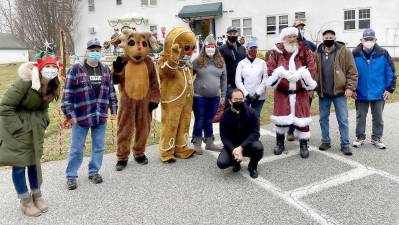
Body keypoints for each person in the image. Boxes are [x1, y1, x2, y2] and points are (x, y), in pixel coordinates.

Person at [0, 53, 63, 216]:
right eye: (47, 67)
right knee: (20, 165)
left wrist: (44, 121)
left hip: (35, 128)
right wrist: (18, 127)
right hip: (17, 129)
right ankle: (25, 201)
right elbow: (5, 105)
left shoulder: (52, 84)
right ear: (40, 68)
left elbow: (43, 107)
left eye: (53, 67)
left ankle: (37, 194)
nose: (50, 70)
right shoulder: (26, 82)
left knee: (34, 163)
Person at [61, 39, 118, 190]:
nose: (95, 53)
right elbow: (67, 94)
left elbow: (111, 91)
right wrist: (69, 114)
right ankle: (71, 176)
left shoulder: (106, 70)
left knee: (99, 146)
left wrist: (114, 110)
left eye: (97, 50)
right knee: (77, 148)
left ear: (100, 52)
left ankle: (94, 172)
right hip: (80, 116)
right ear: (86, 52)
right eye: (92, 50)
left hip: (100, 116)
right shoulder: (76, 69)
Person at [266, 27, 317, 159]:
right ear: (283, 38)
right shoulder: (276, 53)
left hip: (300, 93)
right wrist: (281, 73)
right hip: (282, 93)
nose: (292, 38)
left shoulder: (305, 51)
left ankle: (304, 144)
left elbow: (312, 68)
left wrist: (302, 74)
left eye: (294, 36)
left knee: (302, 120)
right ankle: (280, 142)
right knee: (281, 119)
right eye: (289, 36)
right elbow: (270, 70)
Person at [314, 29, 358, 155]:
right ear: (323, 39)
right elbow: (313, 72)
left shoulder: (344, 51)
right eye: (326, 37)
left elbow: (352, 71)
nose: (328, 39)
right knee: (323, 119)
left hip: (340, 93)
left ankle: (345, 144)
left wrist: (350, 88)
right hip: (324, 93)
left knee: (343, 119)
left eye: (331, 37)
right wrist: (312, 88)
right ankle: (325, 141)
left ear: (335, 38)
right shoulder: (317, 53)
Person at [352, 29, 397, 149]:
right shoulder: (354, 54)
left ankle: (376, 138)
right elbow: (350, 73)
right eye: (366, 39)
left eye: (371, 39)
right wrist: (352, 89)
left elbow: (391, 72)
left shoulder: (383, 53)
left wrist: (389, 89)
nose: (369, 41)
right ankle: (360, 137)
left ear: (375, 40)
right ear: (361, 40)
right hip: (360, 92)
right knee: (360, 117)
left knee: (378, 118)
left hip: (379, 92)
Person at [217, 89, 264, 178]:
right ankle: (236, 163)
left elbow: (255, 133)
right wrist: (233, 150)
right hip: (233, 145)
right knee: (221, 163)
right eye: (236, 99)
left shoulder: (252, 113)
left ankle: (253, 166)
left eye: (241, 99)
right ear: (230, 101)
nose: (239, 101)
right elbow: (224, 137)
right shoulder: (224, 116)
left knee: (258, 148)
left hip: (247, 144)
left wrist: (241, 147)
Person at [192, 34, 227, 154]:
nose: (210, 49)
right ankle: (197, 142)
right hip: (199, 96)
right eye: (208, 47)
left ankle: (209, 142)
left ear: (216, 48)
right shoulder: (197, 61)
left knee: (209, 119)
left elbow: (224, 79)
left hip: (215, 96)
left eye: (213, 47)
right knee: (200, 119)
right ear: (204, 48)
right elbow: (188, 74)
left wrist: (223, 95)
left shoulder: (221, 62)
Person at [286, 20, 317, 141]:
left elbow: (313, 67)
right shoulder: (288, 44)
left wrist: (311, 87)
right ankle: (290, 131)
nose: (300, 29)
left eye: (302, 27)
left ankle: (303, 132)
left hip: (306, 83)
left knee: (304, 109)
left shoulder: (310, 45)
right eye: (298, 27)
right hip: (293, 83)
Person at [235, 41, 268, 115]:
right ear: (247, 50)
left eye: (255, 48)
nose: (253, 50)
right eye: (251, 48)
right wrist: (246, 94)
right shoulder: (241, 63)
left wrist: (257, 93)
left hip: (259, 96)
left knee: (256, 117)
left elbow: (265, 79)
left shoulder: (262, 63)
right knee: (244, 117)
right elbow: (238, 81)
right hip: (245, 96)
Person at [219, 26, 246, 97]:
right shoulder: (222, 49)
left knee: (240, 104)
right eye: (230, 33)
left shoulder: (242, 48)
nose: (232, 35)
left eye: (234, 33)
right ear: (227, 35)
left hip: (241, 82)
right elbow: (219, 66)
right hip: (229, 83)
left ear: (237, 34)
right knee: (229, 105)